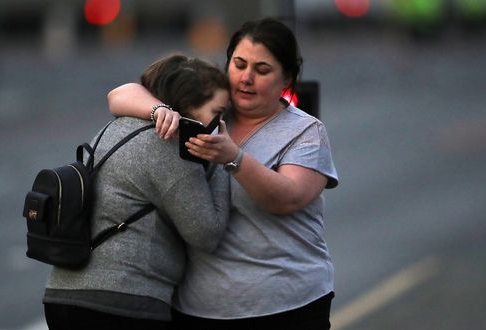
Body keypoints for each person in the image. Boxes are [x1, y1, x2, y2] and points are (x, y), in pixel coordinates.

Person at [107, 17, 340, 329]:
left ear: (286, 80)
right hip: (197, 309)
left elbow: (288, 197)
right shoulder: (207, 110)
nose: (246, 78)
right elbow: (120, 95)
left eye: (262, 70)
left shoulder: (306, 131)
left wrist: (234, 158)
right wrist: (158, 110)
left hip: (288, 305)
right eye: (239, 64)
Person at [43, 54, 231, 330]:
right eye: (218, 113)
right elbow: (206, 234)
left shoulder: (115, 127)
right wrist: (221, 160)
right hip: (122, 303)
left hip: (62, 294)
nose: (221, 124)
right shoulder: (169, 147)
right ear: (188, 108)